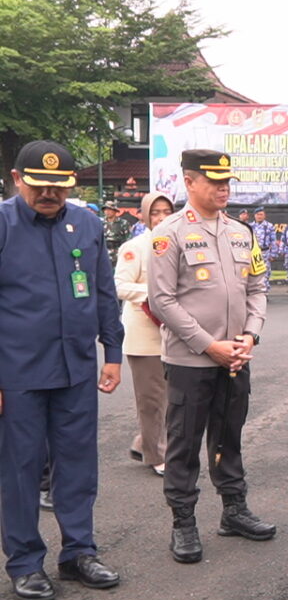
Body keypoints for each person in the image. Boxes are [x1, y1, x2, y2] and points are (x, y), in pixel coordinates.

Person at [0, 140, 123, 600]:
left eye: (58, 185)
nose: (49, 193)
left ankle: (78, 552)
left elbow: (104, 292)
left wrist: (112, 351)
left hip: (75, 370)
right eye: (39, 185)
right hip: (18, 374)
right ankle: (26, 562)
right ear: (17, 179)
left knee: (77, 466)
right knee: (20, 471)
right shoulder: (3, 225)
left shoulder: (86, 223)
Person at [148, 149, 273, 565]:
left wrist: (250, 337)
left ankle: (234, 511)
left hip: (236, 357)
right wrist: (208, 344)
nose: (223, 188)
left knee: (229, 436)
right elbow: (162, 301)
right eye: (214, 181)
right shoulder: (170, 233)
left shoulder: (241, 232)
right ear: (189, 182)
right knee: (184, 444)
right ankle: (183, 523)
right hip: (190, 361)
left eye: (227, 182)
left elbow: (257, 288)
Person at [115, 191, 175, 478]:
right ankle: (156, 454)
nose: (162, 217)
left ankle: (143, 442)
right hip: (143, 333)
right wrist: (155, 296)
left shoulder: (176, 243)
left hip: (172, 332)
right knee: (151, 400)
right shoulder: (134, 247)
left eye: (166, 211)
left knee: (169, 397)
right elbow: (121, 286)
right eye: (155, 212)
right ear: (143, 215)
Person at [251, 207, 276, 294]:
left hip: (265, 252)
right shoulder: (251, 226)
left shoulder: (269, 226)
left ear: (264, 216)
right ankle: (256, 292)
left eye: (261, 214)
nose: (259, 216)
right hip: (254, 253)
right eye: (257, 215)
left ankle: (265, 293)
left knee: (266, 273)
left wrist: (273, 254)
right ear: (254, 216)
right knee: (254, 273)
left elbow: (273, 241)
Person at [102, 200, 130, 265]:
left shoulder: (123, 223)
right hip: (104, 253)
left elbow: (128, 239)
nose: (107, 212)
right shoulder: (101, 223)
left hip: (118, 252)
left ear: (115, 211)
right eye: (105, 210)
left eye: (109, 210)